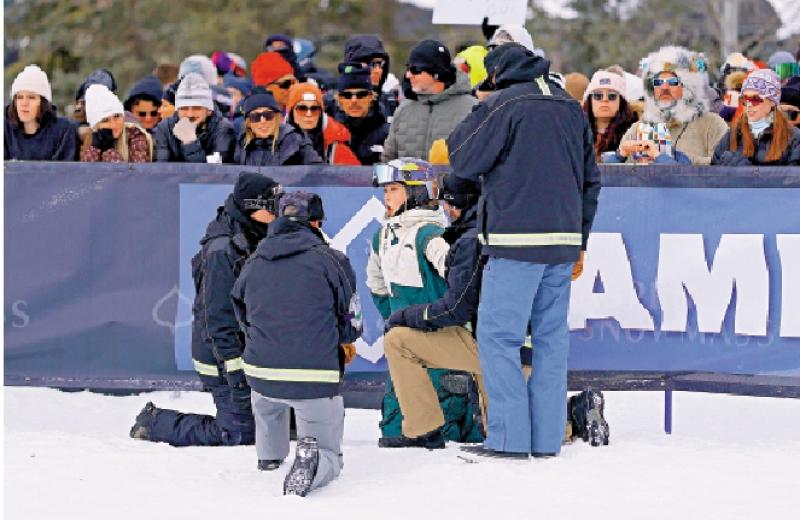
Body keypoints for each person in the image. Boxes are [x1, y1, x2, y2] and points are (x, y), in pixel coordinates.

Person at [447, 43, 601, 458]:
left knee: (499, 338)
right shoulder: (570, 106)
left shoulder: (504, 103)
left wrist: (481, 105)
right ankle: (548, 438)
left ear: (497, 74)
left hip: (515, 241)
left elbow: (461, 156)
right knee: (551, 340)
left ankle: (509, 439)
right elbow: (591, 180)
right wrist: (580, 240)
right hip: (564, 241)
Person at [131, 173, 283, 447]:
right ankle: (155, 422)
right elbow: (218, 320)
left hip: (250, 352)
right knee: (238, 434)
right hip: (222, 357)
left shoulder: (256, 235)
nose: (276, 214)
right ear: (251, 207)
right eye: (270, 207)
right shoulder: (222, 252)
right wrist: (235, 375)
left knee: (274, 426)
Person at [231, 191, 362, 497]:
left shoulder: (254, 260)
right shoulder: (331, 260)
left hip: (260, 372)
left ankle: (269, 456)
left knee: (267, 404)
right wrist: (344, 342)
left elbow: (240, 310)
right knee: (327, 450)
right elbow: (352, 320)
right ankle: (315, 463)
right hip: (313, 376)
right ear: (316, 223)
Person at [367, 158, 481, 445]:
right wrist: (397, 320)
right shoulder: (380, 236)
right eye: (385, 191)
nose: (386, 197)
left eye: (393, 189)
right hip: (405, 349)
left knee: (450, 433)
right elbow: (377, 288)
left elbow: (461, 279)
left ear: (416, 192)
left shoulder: (431, 235)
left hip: (441, 343)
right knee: (394, 433)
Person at [615, 46, 728, 165]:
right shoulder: (638, 129)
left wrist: (675, 158)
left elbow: (724, 170)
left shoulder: (712, 125)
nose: (664, 87)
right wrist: (619, 157)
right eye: (658, 82)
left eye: (672, 82)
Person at [382, 40, 476, 161]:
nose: (408, 75)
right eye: (408, 69)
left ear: (436, 73)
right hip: (406, 180)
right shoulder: (403, 110)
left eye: (415, 69)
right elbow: (388, 160)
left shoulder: (473, 109)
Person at [712, 69, 800, 166]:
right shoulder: (732, 135)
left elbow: (794, 179)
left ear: (772, 101)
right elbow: (712, 176)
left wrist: (747, 173)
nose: (749, 105)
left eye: (755, 99)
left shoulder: (793, 137)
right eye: (744, 99)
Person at [154, 73, 236, 163]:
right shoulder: (165, 128)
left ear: (208, 110)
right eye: (184, 108)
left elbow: (213, 171)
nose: (190, 114)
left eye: (196, 108)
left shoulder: (223, 129)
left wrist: (190, 142)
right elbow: (162, 168)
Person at [5, 64, 78, 161]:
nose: (24, 103)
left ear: (43, 102)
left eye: (31, 97)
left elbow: (64, 171)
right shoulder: (5, 129)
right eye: (19, 97)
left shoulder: (63, 130)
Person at [234, 91, 321, 166]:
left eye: (268, 115)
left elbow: (318, 172)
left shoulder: (295, 140)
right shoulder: (242, 143)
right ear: (248, 123)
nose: (263, 121)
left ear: (277, 117)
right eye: (256, 117)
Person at [286, 83, 360, 165]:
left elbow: (357, 176)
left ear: (321, 113)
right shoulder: (275, 142)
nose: (309, 114)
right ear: (291, 112)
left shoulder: (335, 148)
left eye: (314, 109)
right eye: (302, 108)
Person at [333, 62, 389, 165]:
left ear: (371, 97)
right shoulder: (331, 132)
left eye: (361, 94)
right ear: (339, 99)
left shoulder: (389, 134)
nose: (354, 100)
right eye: (347, 95)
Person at [81, 84, 152, 163]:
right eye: (105, 120)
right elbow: (86, 172)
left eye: (117, 116)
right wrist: (95, 148)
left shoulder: (135, 135)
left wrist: (108, 150)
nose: (113, 124)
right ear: (96, 126)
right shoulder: (94, 138)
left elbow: (137, 172)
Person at [582, 70, 638, 160]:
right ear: (590, 101)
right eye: (597, 95)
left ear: (621, 101)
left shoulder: (634, 134)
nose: (604, 99)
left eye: (612, 96)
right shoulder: (576, 131)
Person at [342, 34, 398, 117]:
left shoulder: (388, 102)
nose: (378, 70)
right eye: (371, 64)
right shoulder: (333, 104)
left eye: (380, 64)